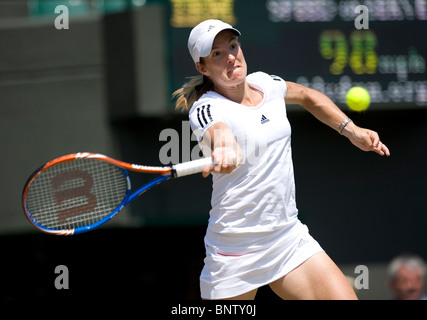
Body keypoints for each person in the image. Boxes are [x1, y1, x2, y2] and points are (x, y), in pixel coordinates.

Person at [173, 19, 390, 300]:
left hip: (287, 237)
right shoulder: (206, 108)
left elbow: (308, 96)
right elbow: (220, 135)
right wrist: (224, 150)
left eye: (233, 47)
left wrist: (352, 130)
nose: (230, 57)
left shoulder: (267, 84)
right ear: (202, 68)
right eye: (216, 53)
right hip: (234, 249)